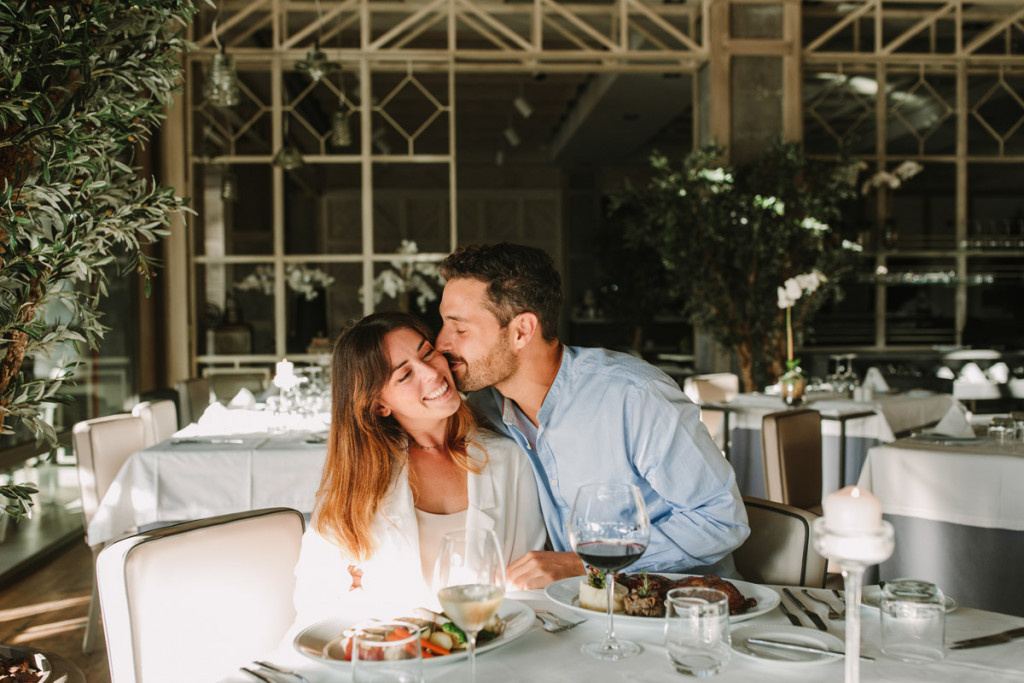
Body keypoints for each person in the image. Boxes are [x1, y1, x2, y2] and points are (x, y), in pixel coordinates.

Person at [435, 243, 749, 590]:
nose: (441, 343)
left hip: (687, 604)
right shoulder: (482, 410)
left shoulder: (634, 396)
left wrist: (585, 564)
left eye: (459, 329)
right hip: (577, 607)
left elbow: (721, 520)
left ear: (521, 330)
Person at [291, 312, 547, 627]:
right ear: (379, 404)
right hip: (396, 652)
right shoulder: (359, 481)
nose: (432, 372)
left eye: (427, 353)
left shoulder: (510, 460)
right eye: (405, 375)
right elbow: (314, 600)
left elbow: (528, 588)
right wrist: (360, 600)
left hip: (495, 645)